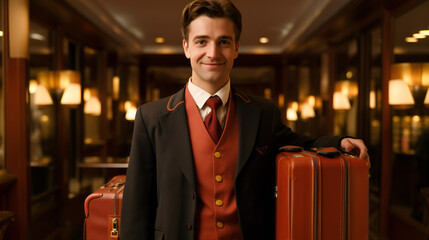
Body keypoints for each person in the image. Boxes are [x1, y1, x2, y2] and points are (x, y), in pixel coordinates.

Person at [120, 0, 369, 239]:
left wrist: (341, 142)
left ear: (237, 47)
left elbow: (301, 143)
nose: (213, 52)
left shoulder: (262, 113)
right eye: (201, 41)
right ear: (186, 47)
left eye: (224, 42)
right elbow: (136, 208)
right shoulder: (152, 117)